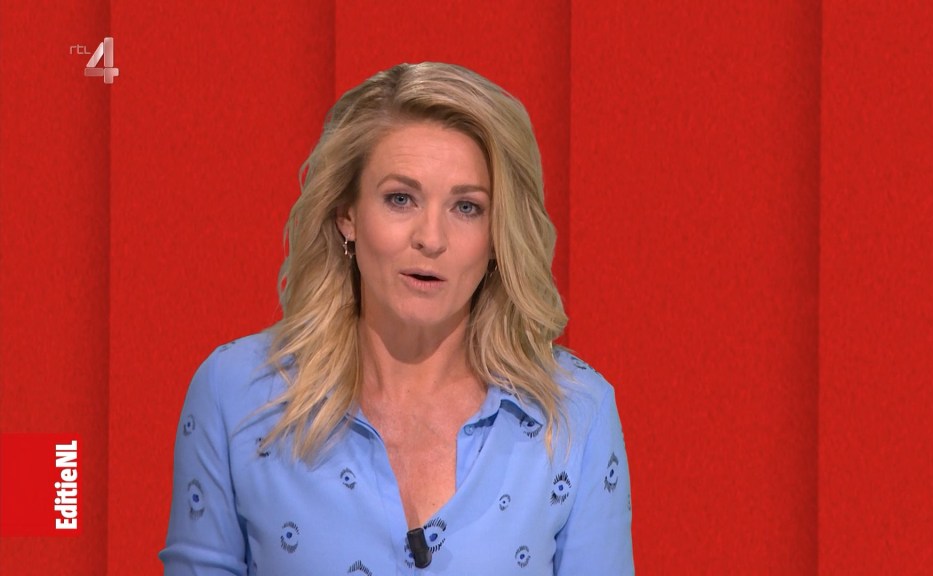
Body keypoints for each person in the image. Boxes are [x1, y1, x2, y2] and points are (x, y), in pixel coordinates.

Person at [160, 62, 633, 575]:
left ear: (499, 235)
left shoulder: (575, 412)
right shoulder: (237, 395)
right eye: (400, 199)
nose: (431, 238)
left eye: (467, 207)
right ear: (347, 214)